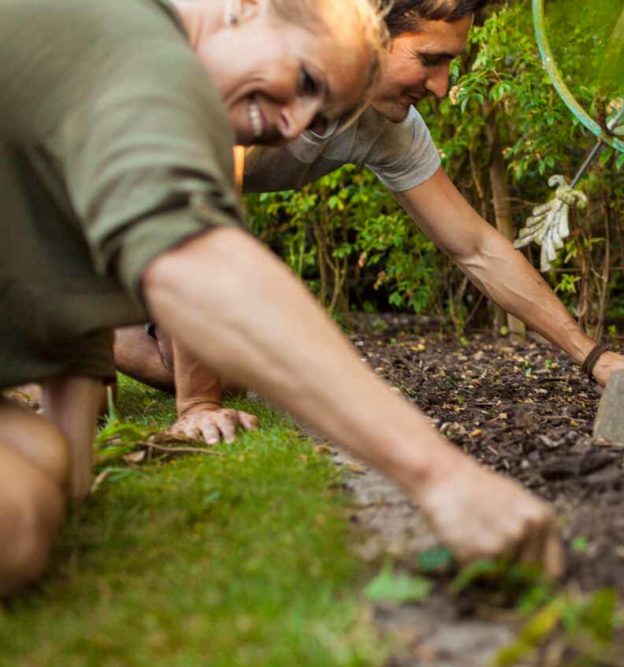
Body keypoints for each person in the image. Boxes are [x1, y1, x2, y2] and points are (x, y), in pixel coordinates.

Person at [1, 0, 562, 597]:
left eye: (322, 112)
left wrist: (70, 467)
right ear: (248, 9)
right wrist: (440, 474)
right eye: (306, 82)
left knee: (40, 489)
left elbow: (62, 254)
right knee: (17, 521)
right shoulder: (135, 48)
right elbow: (200, 267)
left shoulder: (127, 92)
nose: (294, 128)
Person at [113, 0, 624, 445]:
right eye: (429, 59)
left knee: (227, 370)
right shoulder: (247, 66)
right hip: (78, 185)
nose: (440, 87)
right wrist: (196, 406)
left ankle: (84, 328)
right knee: (185, 378)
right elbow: (201, 223)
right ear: (367, 30)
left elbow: (476, 247)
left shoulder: (387, 126)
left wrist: (594, 359)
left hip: (151, 219)